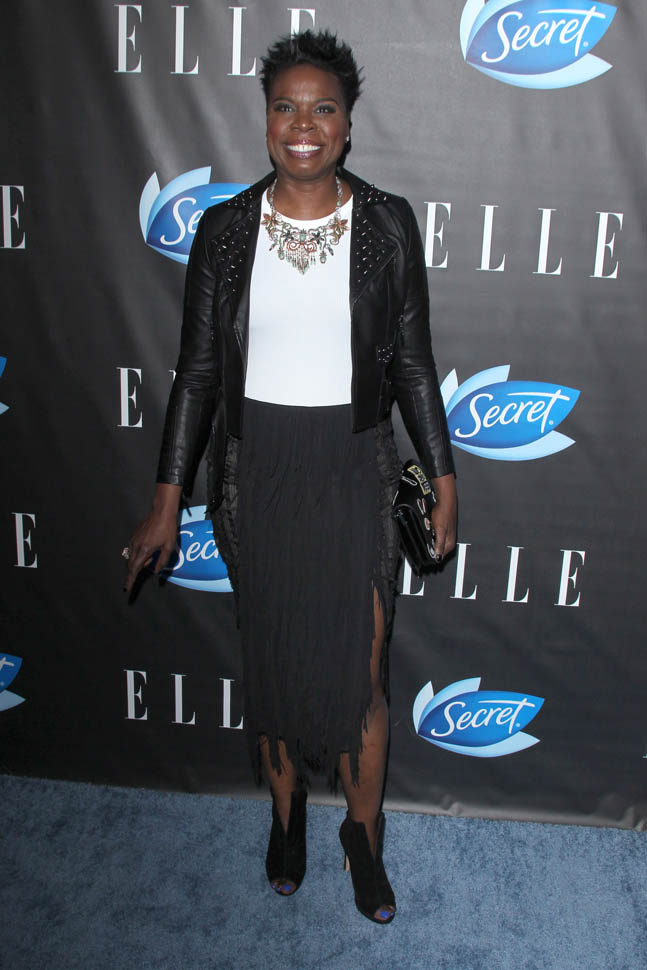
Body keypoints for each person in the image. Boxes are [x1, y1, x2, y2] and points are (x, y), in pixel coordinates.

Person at [123, 29, 456, 924]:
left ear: (347, 125)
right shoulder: (224, 229)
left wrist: (444, 475)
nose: (302, 125)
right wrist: (165, 501)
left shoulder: (386, 223)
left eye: (322, 109)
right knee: (272, 667)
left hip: (356, 469)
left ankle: (363, 833)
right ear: (265, 119)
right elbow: (197, 374)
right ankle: (285, 819)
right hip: (256, 473)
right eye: (285, 107)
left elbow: (414, 366)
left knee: (362, 672)